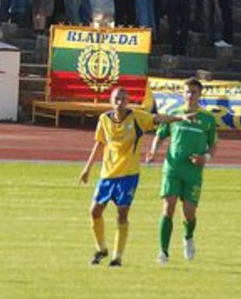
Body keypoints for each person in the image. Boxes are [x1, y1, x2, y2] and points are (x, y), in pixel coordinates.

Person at [78, 87, 186, 267]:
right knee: (94, 211)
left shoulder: (137, 117)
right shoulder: (104, 119)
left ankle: (117, 257)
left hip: (128, 175)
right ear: (111, 101)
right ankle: (101, 248)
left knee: (121, 215)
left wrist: (179, 118)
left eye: (123, 99)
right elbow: (100, 143)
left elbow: (157, 118)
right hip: (107, 174)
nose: (120, 103)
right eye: (116, 99)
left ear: (127, 101)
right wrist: (87, 168)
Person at [146, 78, 218, 264]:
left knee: (189, 213)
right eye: (187, 92)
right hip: (172, 168)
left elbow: (213, 145)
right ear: (182, 94)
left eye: (194, 92)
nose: (190, 95)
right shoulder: (174, 114)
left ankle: (188, 237)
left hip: (193, 172)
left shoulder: (208, 119)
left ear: (200, 95)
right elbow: (160, 135)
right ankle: (163, 251)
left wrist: (206, 158)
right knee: (168, 207)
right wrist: (154, 151)